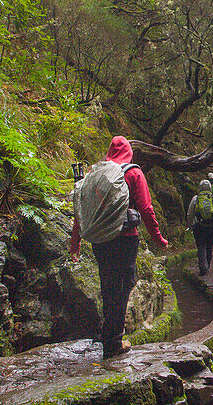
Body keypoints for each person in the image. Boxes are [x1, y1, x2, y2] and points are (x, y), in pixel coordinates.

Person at [70, 136, 168, 359]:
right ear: (129, 152)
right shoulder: (133, 173)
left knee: (109, 286)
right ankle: (113, 342)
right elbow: (146, 209)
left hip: (100, 240)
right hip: (125, 239)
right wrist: (158, 239)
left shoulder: (97, 175)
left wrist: (75, 243)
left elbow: (82, 210)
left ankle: (109, 336)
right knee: (124, 287)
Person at [187, 178, 213, 276]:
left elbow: (189, 213)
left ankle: (202, 268)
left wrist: (190, 225)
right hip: (211, 226)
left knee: (201, 246)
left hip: (199, 226)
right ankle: (208, 265)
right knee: (209, 246)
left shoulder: (196, 198)